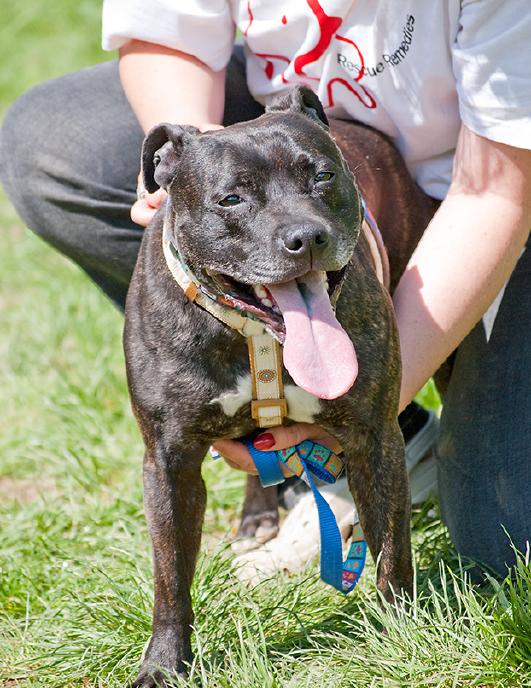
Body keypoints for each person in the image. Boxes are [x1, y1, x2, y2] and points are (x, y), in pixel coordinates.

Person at [1, 1, 530, 577]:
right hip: (291, 141)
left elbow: (496, 192)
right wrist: (203, 168)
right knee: (53, 140)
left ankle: (362, 417)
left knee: (506, 544)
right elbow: (166, 34)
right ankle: (324, 416)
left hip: (492, 189)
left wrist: (377, 393)